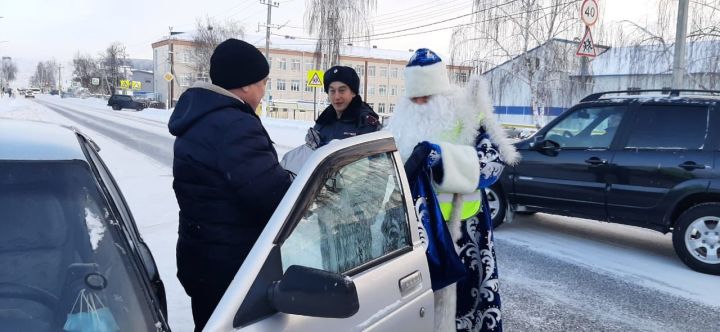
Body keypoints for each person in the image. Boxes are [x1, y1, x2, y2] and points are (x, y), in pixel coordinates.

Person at [386, 48, 520, 332]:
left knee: (464, 308)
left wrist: (441, 159)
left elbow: (492, 164)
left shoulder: (468, 114)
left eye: (427, 95)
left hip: (465, 230)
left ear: (441, 91)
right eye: (415, 96)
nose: (420, 102)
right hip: (414, 233)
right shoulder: (399, 121)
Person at [168, 38, 293, 331]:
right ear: (246, 84)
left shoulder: (199, 117)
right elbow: (272, 199)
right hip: (233, 270)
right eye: (263, 82)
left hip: (201, 258)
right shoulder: (234, 125)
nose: (264, 90)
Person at [308, 65, 381, 147]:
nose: (337, 97)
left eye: (342, 90)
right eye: (332, 91)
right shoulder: (323, 121)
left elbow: (376, 157)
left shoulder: (365, 124)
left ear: (353, 93)